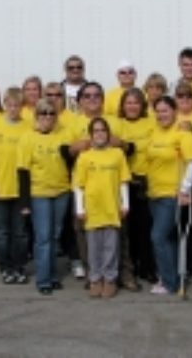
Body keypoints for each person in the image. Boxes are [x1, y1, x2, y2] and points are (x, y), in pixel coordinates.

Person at [17, 98, 73, 295]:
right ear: (36, 116)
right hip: (39, 193)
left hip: (61, 191)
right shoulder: (27, 138)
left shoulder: (64, 134)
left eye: (51, 113)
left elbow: (71, 160)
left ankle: (53, 275)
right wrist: (24, 202)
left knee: (55, 235)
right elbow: (23, 171)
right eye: (43, 113)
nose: (48, 117)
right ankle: (43, 280)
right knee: (43, 237)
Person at [146, 96, 192, 295]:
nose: (161, 115)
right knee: (167, 238)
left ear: (174, 111)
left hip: (171, 195)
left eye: (165, 111)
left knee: (158, 237)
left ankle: (169, 282)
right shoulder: (154, 132)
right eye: (158, 111)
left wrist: (185, 188)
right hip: (154, 193)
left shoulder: (183, 134)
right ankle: (171, 277)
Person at [74, 117, 132, 298]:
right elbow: (78, 185)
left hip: (112, 207)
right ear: (90, 136)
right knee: (94, 247)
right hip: (92, 209)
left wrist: (125, 203)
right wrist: (80, 208)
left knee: (111, 246)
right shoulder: (84, 157)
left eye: (103, 130)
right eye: (96, 131)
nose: (99, 134)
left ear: (108, 134)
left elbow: (123, 181)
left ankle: (110, 279)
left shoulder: (117, 154)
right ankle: (95, 279)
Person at [0, 87, 31, 284]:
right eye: (10, 105)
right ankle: (6, 267)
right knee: (2, 233)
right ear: (5, 105)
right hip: (0, 186)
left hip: (20, 189)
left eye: (17, 105)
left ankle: (19, 267)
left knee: (20, 233)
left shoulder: (28, 127)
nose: (13, 109)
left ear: (22, 106)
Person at [118, 87, 156, 284]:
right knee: (128, 229)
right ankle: (129, 268)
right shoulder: (118, 124)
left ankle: (147, 266)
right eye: (128, 103)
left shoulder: (151, 122)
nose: (132, 106)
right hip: (126, 181)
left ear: (142, 105)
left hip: (146, 180)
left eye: (136, 102)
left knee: (146, 227)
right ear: (123, 105)